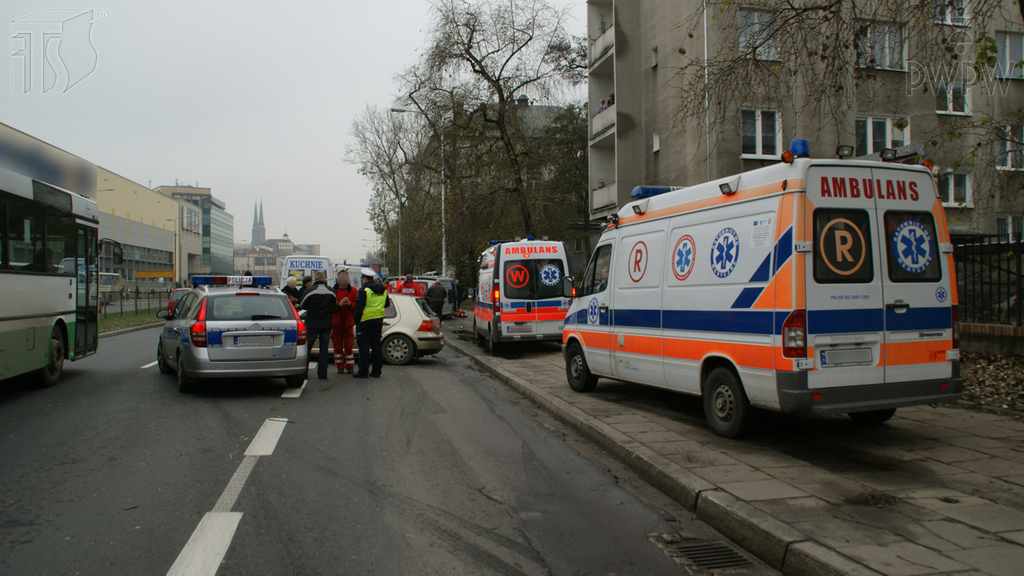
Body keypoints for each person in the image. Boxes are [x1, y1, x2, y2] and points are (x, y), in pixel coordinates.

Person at [353, 268, 389, 379]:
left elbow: (359, 308)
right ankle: (377, 370)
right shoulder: (383, 290)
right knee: (376, 345)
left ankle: (363, 371)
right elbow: (387, 304)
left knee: (364, 347)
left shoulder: (364, 290)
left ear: (364, 279)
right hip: (378, 320)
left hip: (365, 321)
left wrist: (356, 322)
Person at [300, 272, 336, 380]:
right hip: (326, 323)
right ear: (324, 279)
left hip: (312, 323)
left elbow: (302, 305)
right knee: (324, 349)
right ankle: (322, 374)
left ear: (315, 279)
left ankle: (304, 372)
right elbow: (335, 305)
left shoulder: (309, 291)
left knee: (307, 348)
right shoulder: (331, 291)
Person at [332, 270, 358, 374]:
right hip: (336, 324)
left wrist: (349, 304)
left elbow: (357, 307)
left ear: (348, 280)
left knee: (349, 346)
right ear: (338, 280)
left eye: (345, 278)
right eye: (341, 278)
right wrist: (338, 305)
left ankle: (350, 366)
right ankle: (340, 367)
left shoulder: (353, 291)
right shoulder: (332, 291)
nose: (343, 280)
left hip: (348, 323)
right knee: (337, 347)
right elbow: (329, 307)